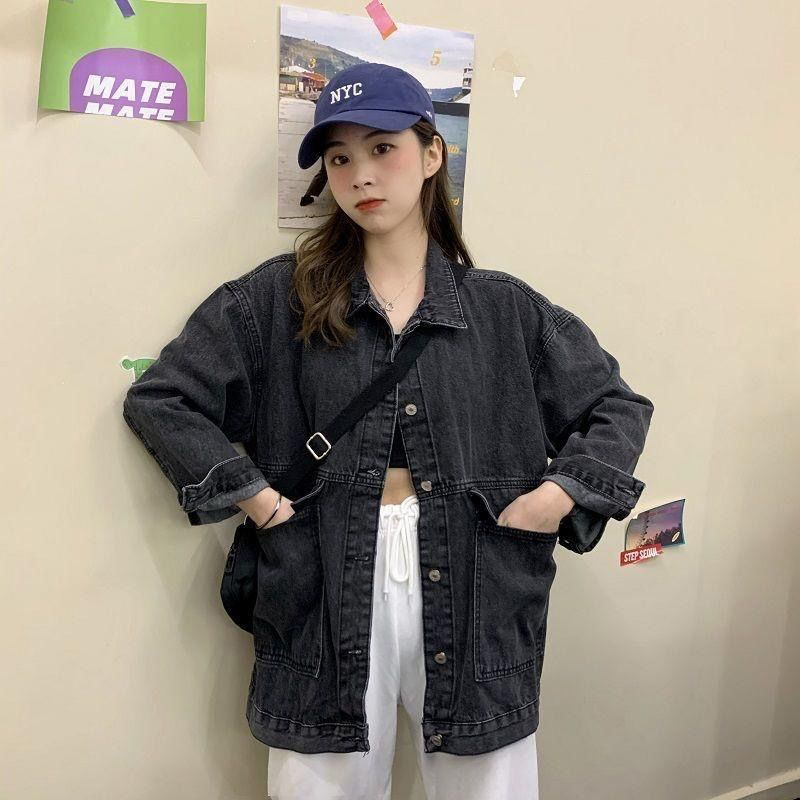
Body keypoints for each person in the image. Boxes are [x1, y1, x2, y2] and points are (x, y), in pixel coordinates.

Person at [122, 62, 654, 800]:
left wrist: (556, 497)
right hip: (322, 572)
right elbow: (163, 398)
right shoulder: (278, 299)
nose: (361, 175)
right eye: (340, 159)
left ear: (432, 154)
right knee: (319, 785)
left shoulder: (503, 309)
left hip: (477, 574)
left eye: (382, 149)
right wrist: (258, 500)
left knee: (488, 787)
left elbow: (616, 407)